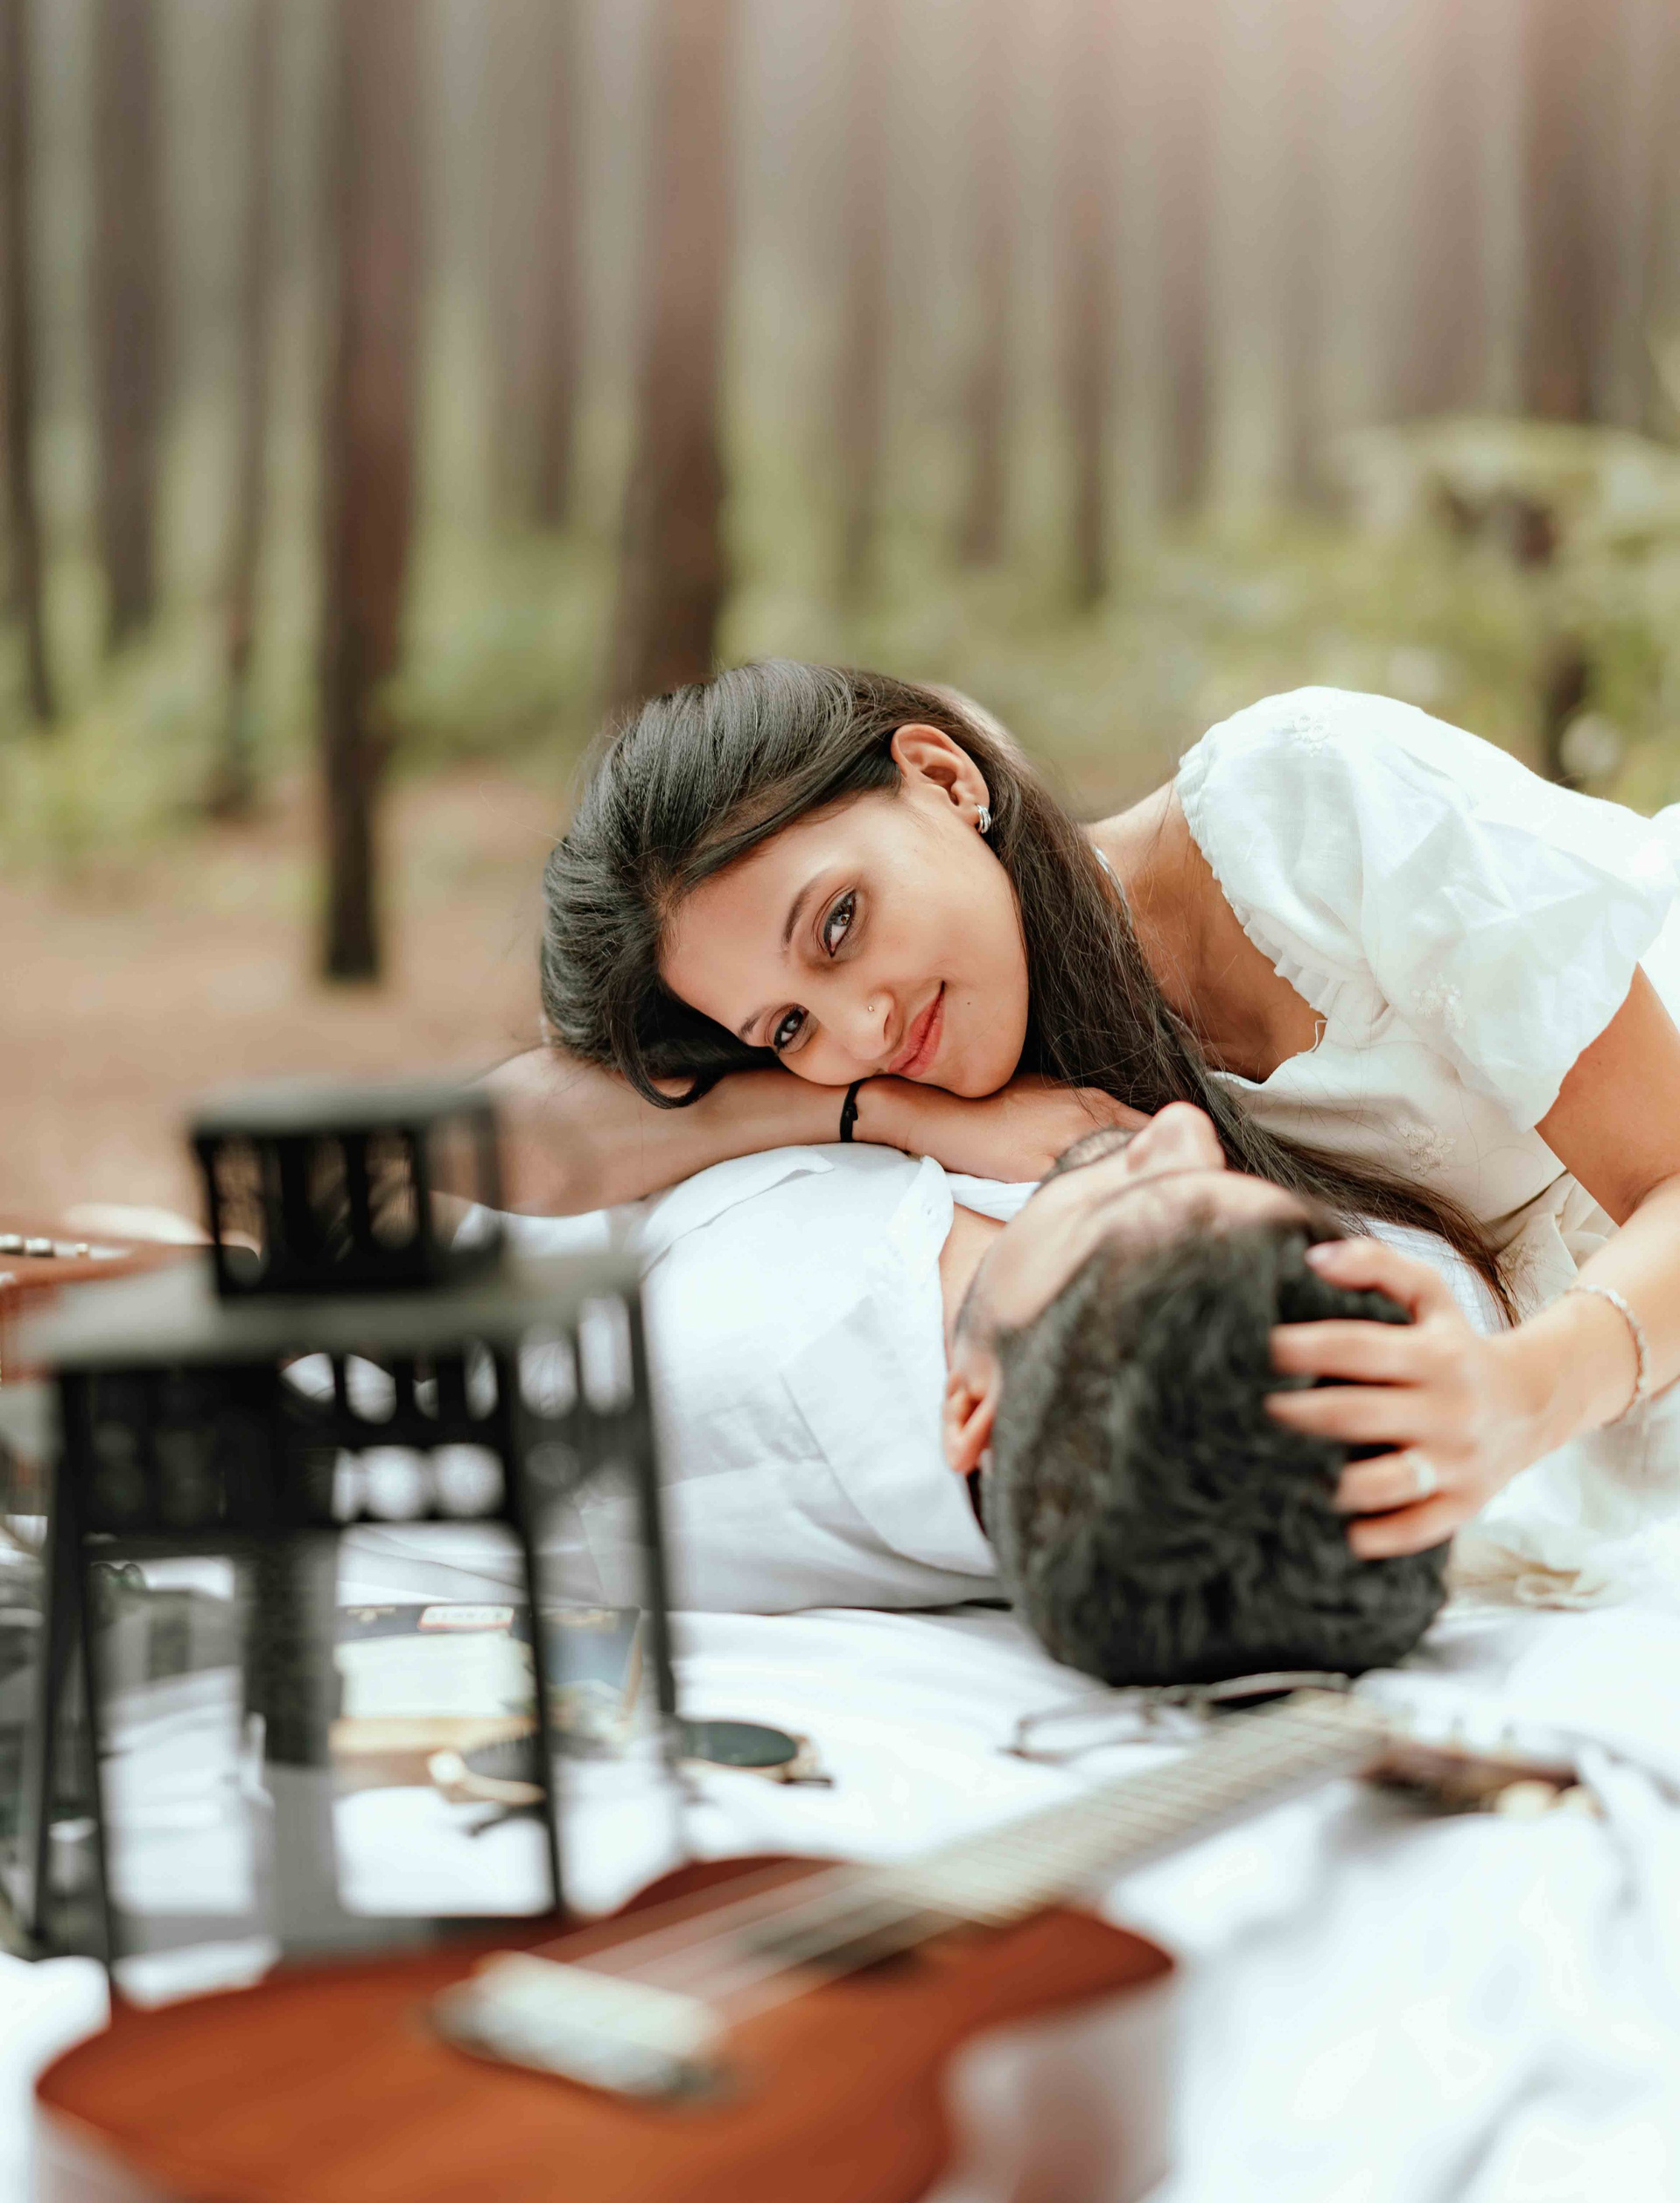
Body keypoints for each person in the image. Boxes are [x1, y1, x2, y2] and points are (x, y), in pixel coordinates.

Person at [506, 663, 1680, 1563]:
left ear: (945, 779)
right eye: (786, 1028)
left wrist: (1520, 1395)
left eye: (839, 924)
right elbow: (502, 1129)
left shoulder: (1304, 806)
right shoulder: (965, 1072)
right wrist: (886, 1117)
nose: (859, 1029)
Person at [514, 1104, 1490, 1677]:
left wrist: (882, 1109)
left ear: (971, 1408)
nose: (1182, 1126)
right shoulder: (1143, 1393)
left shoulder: (710, 1361)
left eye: (1135, 1196)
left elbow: (531, 1149)